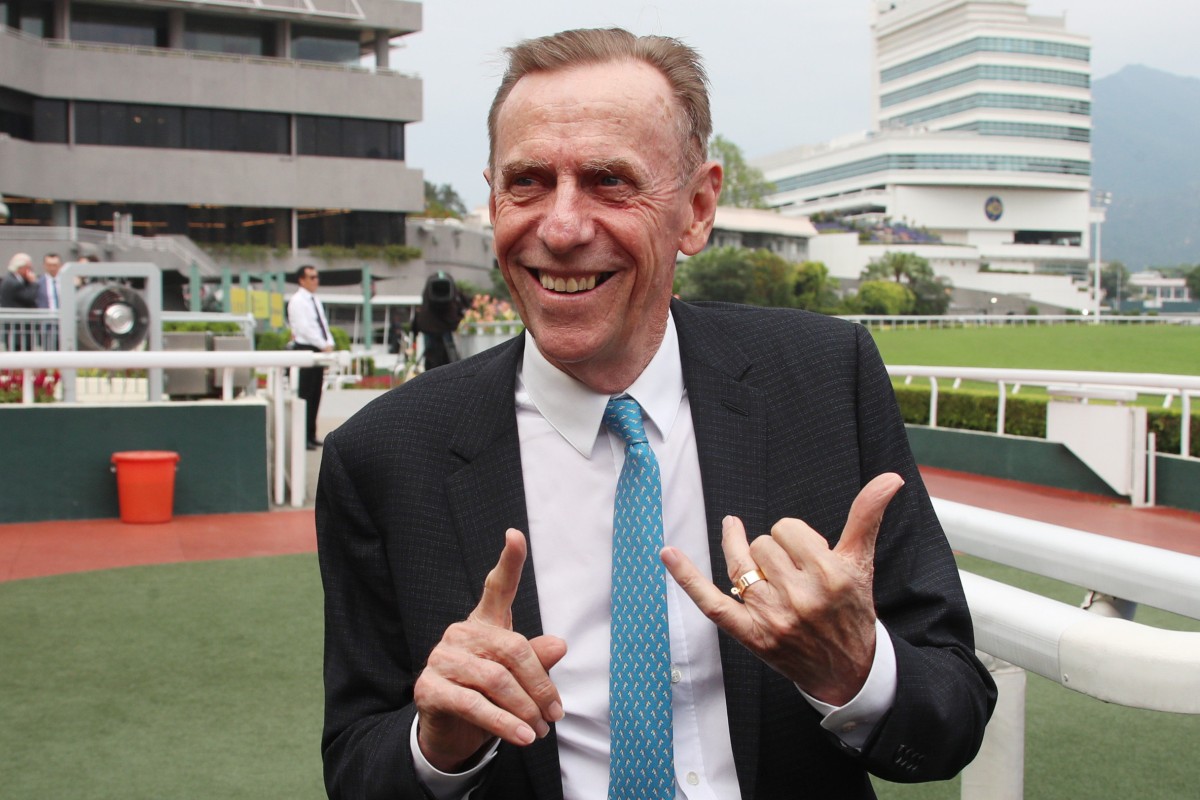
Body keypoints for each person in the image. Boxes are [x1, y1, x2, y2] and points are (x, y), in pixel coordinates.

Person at [317, 28, 995, 799]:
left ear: (698, 209)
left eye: (609, 182)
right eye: (528, 182)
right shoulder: (380, 456)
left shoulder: (823, 382)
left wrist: (854, 669)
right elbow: (357, 765)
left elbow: (954, 712)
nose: (563, 228)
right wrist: (437, 744)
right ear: (493, 198)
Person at [287, 264, 334, 451]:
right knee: (305, 395)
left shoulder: (314, 300)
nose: (316, 280)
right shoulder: (297, 301)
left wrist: (328, 343)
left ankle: (311, 434)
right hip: (306, 349)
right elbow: (304, 329)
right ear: (302, 280)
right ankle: (303, 436)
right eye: (312, 277)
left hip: (318, 350)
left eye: (317, 277)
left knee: (316, 394)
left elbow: (322, 324)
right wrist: (323, 345)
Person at [412, 270, 468, 370]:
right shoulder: (454, 294)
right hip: (445, 326)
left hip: (429, 327)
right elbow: (463, 305)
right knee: (451, 360)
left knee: (431, 358)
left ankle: (431, 376)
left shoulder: (427, 297)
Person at [2, 252, 39, 351]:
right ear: (21, 268)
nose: (30, 271)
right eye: (29, 268)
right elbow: (29, 297)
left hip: (17, 329)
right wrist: (34, 283)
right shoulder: (13, 282)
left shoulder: (13, 279)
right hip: (17, 329)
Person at [36, 253, 63, 349]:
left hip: (63, 322)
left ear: (60, 266)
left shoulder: (66, 281)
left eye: (55, 265)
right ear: (44, 266)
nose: (52, 268)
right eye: (49, 265)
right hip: (47, 324)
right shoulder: (38, 282)